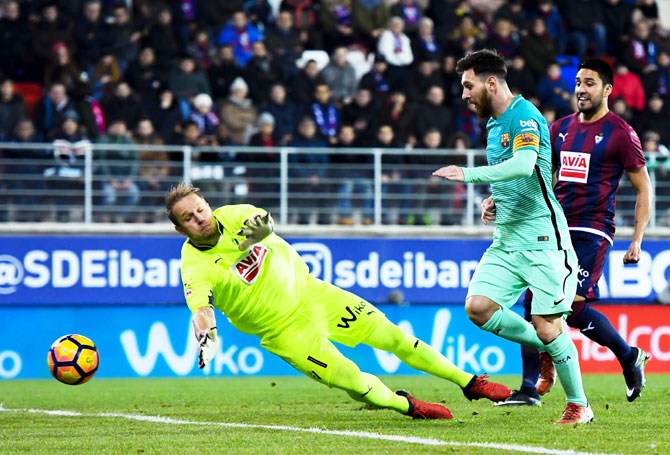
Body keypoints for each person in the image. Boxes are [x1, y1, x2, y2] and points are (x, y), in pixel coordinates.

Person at [165, 182, 511, 420]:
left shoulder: (232, 214)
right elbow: (201, 307)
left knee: (395, 337)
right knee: (352, 379)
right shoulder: (194, 264)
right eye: (189, 219)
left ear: (207, 204)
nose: (199, 218)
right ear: (181, 230)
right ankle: (407, 406)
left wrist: (252, 235)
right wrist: (207, 336)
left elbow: (266, 221)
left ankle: (469, 382)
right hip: (284, 333)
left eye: (200, 209)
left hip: (315, 295)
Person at [433, 49, 589, 424]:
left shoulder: (525, 116)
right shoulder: (494, 124)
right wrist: (495, 200)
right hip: (507, 240)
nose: (465, 94)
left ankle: (579, 405)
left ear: (490, 83)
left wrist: (467, 175)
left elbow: (523, 164)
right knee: (479, 307)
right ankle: (548, 348)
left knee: (548, 323)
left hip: (542, 240)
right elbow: (518, 176)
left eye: (468, 86)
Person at [490, 58, 653, 407]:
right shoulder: (558, 129)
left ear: (608, 90)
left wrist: (637, 239)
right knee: (534, 302)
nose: (581, 89)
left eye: (590, 83)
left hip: (592, 228)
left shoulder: (621, 133)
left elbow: (644, 188)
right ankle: (529, 388)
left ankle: (628, 356)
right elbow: (537, 175)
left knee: (572, 307)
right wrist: (502, 201)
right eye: (579, 82)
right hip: (553, 226)